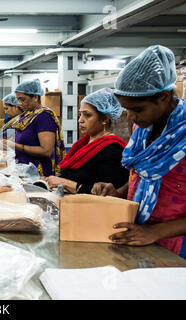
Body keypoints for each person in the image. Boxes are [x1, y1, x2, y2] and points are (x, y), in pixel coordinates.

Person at [91, 45, 186, 258]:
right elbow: (142, 176)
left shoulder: (183, 135)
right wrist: (119, 191)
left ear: (162, 97)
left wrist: (156, 231)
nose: (130, 117)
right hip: (140, 236)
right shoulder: (143, 128)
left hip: (176, 245)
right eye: (126, 109)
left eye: (137, 109)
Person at [43, 88, 129, 194]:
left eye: (87, 115)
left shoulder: (112, 150)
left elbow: (105, 194)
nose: (80, 120)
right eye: (80, 115)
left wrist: (65, 183)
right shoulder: (83, 144)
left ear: (104, 119)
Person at [8, 79, 65, 176]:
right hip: (25, 170)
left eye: (23, 99)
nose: (20, 103)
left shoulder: (43, 116)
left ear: (35, 97)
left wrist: (16, 146)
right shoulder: (27, 116)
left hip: (38, 173)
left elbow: (46, 151)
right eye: (18, 99)